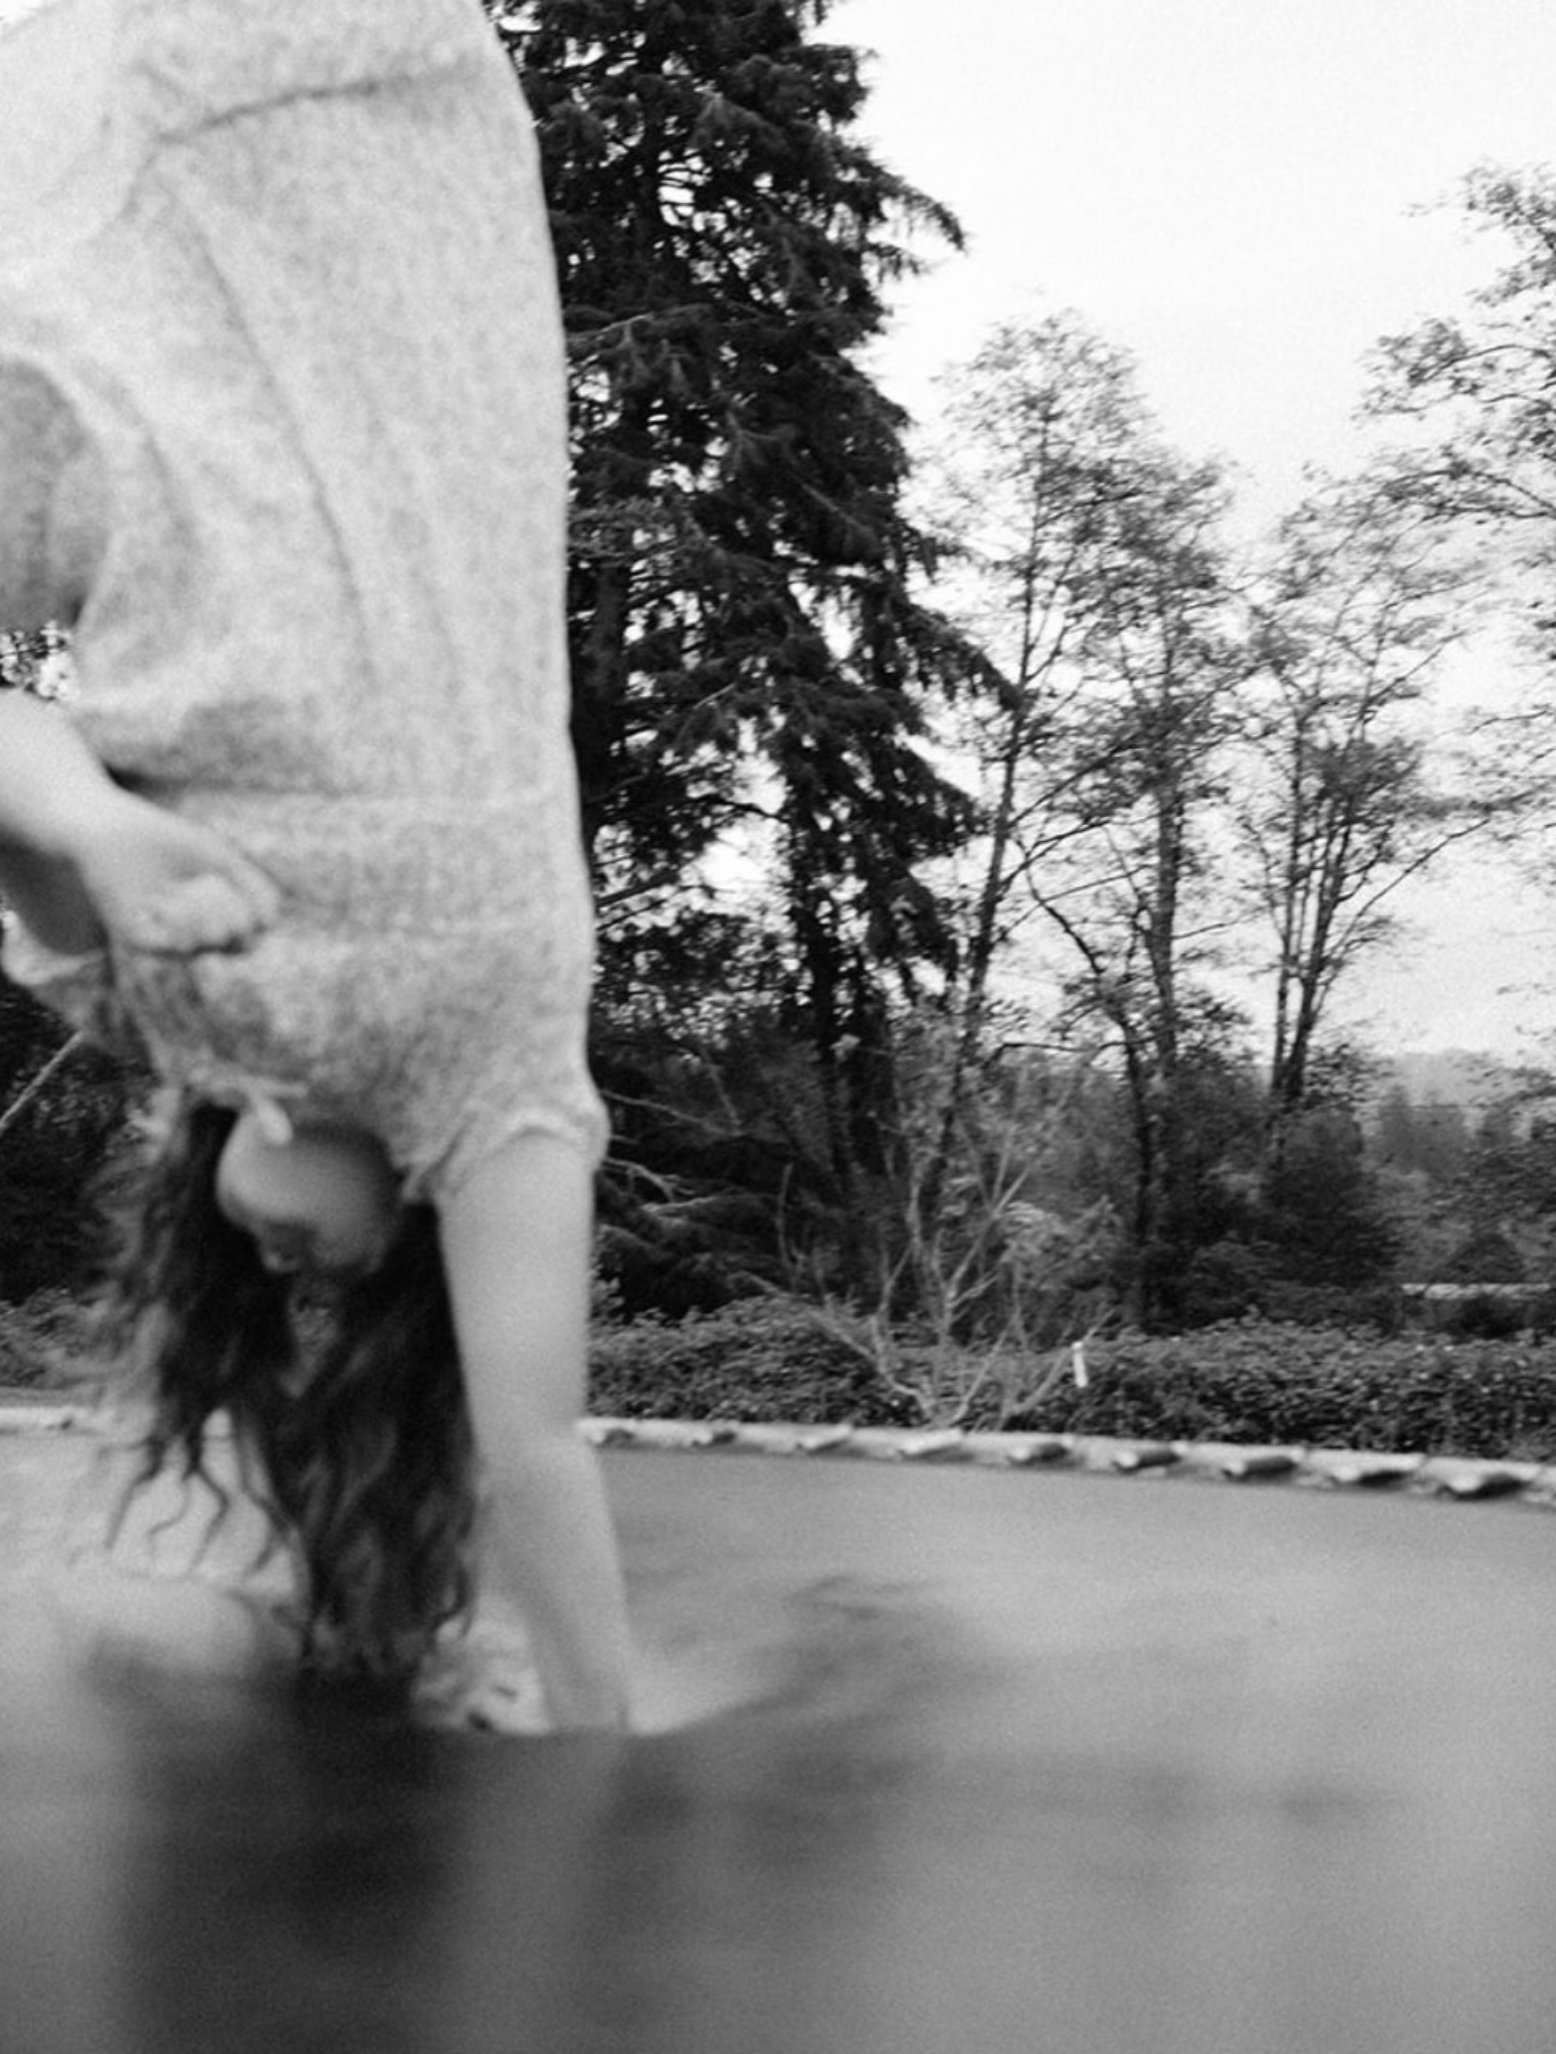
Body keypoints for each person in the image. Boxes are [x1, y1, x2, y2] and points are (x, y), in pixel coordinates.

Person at [0, 0, 632, 1730]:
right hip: (385, 161)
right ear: (423, 1243)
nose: (292, 1277)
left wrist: (92, 824)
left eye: (268, 1285)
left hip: (118, 269)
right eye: (336, 1282)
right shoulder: (497, 1091)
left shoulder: (155, 1004)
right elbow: (535, 1448)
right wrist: (616, 1746)